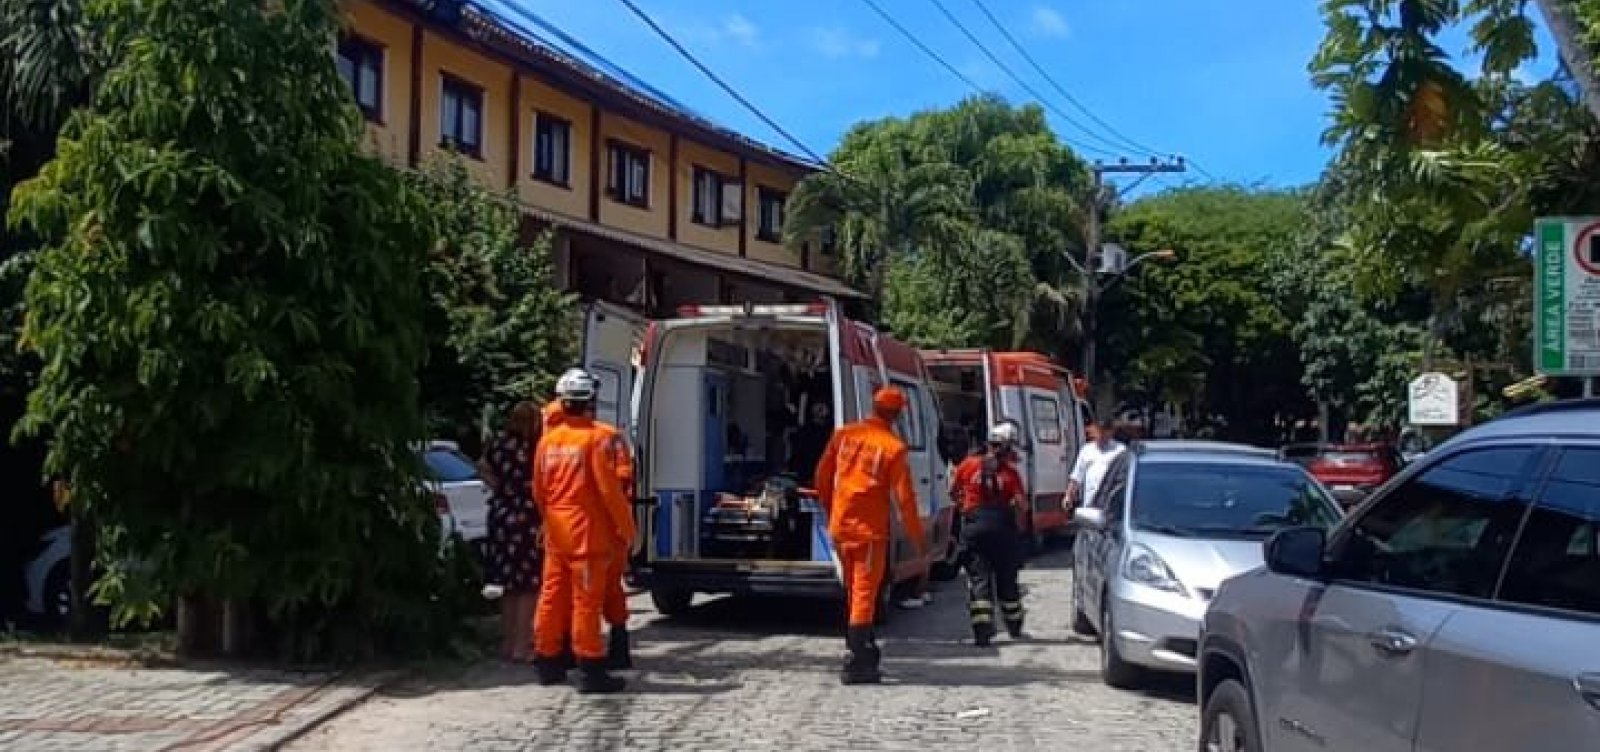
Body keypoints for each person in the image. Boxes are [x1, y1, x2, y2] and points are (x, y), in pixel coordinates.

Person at [530, 369, 634, 693]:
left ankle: (547, 662)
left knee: (550, 598)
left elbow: (539, 489)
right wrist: (629, 530)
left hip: (556, 532)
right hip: (587, 535)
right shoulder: (599, 438)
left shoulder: (548, 441)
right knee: (586, 603)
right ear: (591, 400)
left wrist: (547, 521)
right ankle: (591, 668)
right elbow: (610, 490)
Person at [814, 386, 925, 685]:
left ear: (873, 406)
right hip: (869, 532)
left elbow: (823, 475)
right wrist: (918, 541)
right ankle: (857, 659)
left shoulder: (845, 435)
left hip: (841, 526)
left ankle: (864, 645)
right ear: (898, 414)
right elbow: (905, 499)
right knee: (864, 591)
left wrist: (830, 507)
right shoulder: (893, 448)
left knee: (853, 588)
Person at [950, 423, 1028, 645]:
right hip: (1003, 530)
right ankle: (1014, 625)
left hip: (974, 528)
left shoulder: (967, 465)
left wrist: (965, 507)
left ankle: (982, 632)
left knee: (978, 580)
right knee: (1007, 581)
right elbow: (1022, 505)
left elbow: (952, 490)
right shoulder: (1010, 473)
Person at [478, 401, 543, 662]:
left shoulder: (498, 444)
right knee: (528, 584)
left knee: (507, 584)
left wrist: (499, 486)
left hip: (501, 515)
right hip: (527, 517)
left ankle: (506, 643)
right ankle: (522, 645)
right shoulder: (535, 447)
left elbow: (482, 465)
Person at [1069, 418, 1127, 510]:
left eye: (1104, 431)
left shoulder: (1120, 450)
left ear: (1111, 432)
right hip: (1090, 504)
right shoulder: (1086, 450)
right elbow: (1077, 476)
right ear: (1093, 430)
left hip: (1112, 505)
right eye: (1098, 431)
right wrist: (1069, 496)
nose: (1101, 434)